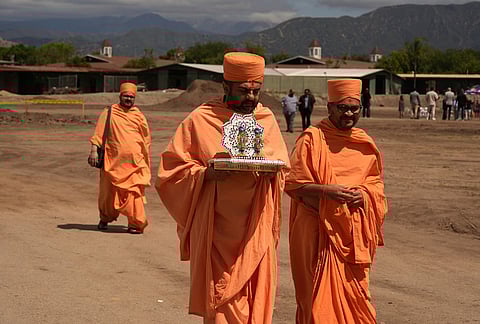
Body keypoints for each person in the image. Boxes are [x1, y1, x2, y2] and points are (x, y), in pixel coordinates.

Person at [155, 52, 290, 323]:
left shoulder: (266, 119)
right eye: (244, 91)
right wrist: (206, 174)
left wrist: (270, 170)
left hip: (255, 225)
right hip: (216, 228)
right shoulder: (201, 119)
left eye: (256, 91)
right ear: (226, 86)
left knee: (254, 294)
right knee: (221, 298)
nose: (251, 98)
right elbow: (170, 172)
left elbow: (282, 167)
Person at [285, 79, 387, 323]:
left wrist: (364, 194)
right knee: (318, 299)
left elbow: (376, 186)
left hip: (352, 234)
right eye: (343, 108)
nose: (349, 114)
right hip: (317, 232)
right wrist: (327, 192)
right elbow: (293, 184)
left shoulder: (365, 143)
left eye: (355, 108)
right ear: (330, 107)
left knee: (356, 297)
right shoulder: (312, 140)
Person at [87, 82, 151, 234]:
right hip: (112, 161)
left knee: (134, 192)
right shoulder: (109, 112)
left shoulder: (139, 115)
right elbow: (98, 134)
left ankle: (136, 223)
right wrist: (94, 151)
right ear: (120, 96)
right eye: (126, 96)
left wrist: (142, 158)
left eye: (131, 97)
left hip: (134, 163)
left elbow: (146, 139)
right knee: (107, 193)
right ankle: (105, 218)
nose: (128, 99)